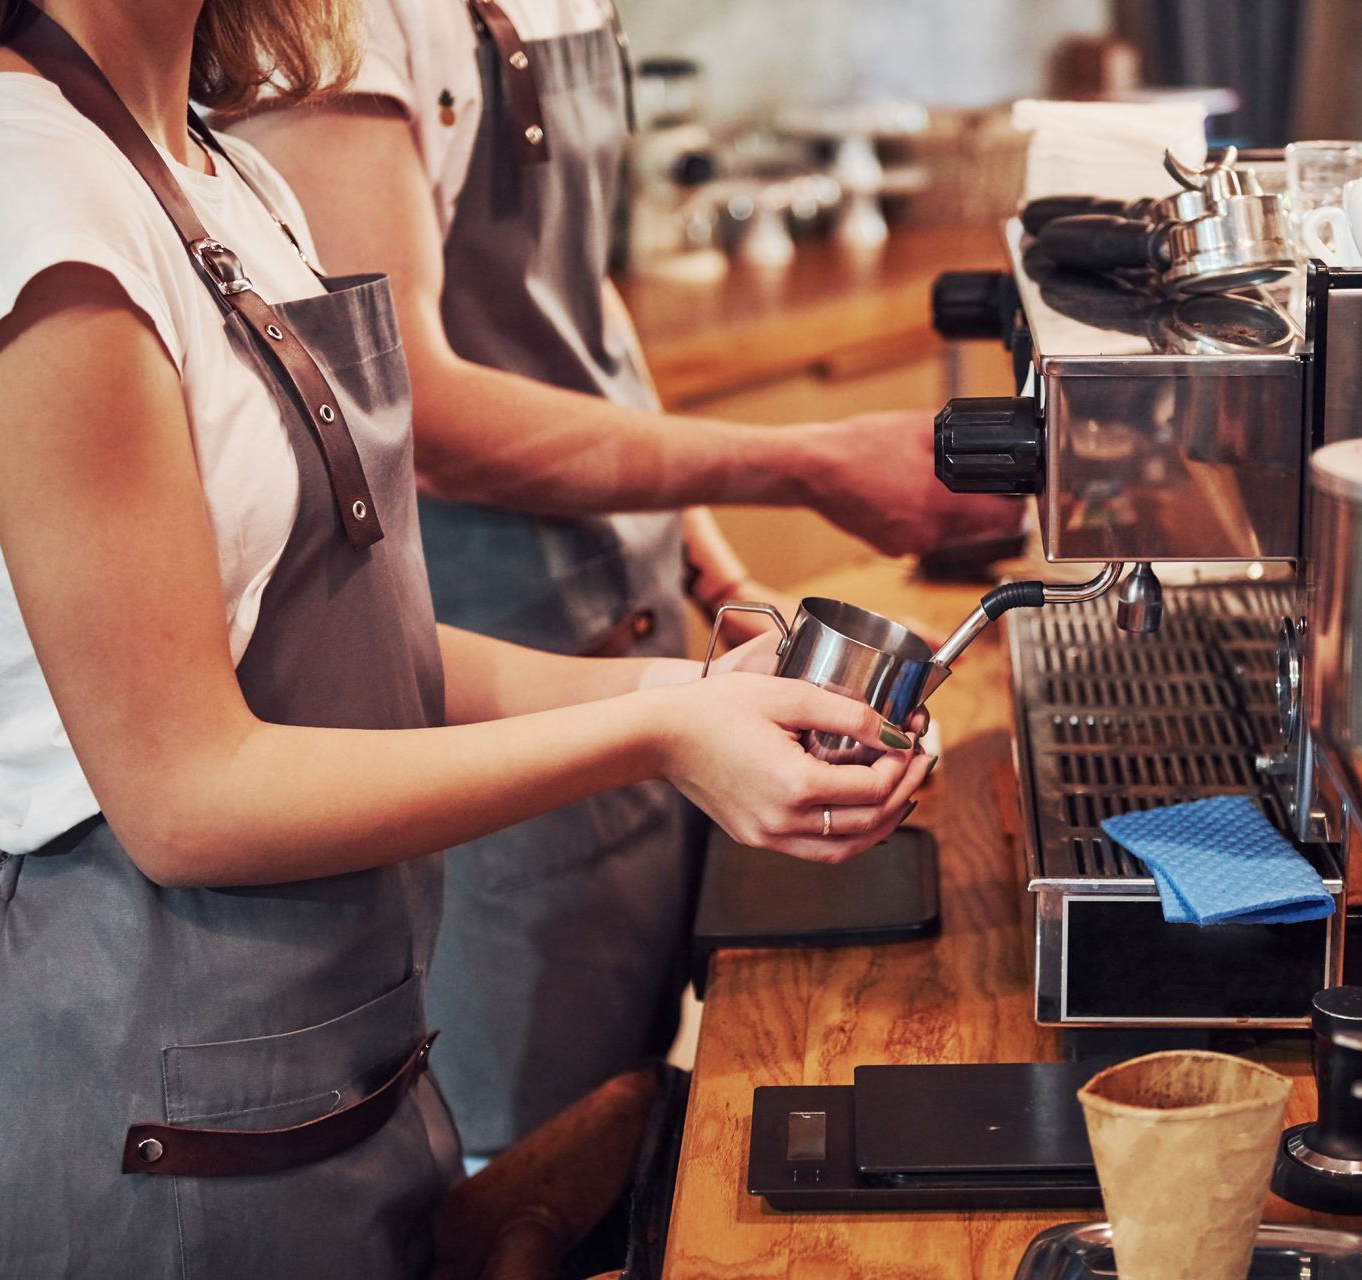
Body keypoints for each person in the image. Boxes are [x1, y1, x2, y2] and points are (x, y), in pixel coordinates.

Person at [0, 0, 930, 1273]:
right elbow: (184, 792)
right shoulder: (20, 193)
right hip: (160, 1127)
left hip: (339, 1077)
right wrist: (659, 734)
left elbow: (365, 655)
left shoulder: (216, 171)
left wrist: (695, 684)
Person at [227, 0, 1014, 1163]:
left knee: (642, 1125)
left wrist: (712, 565)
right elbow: (418, 411)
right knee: (530, 1161)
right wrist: (800, 461)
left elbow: (579, 310)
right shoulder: (344, 24)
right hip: (495, 663)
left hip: (634, 641)